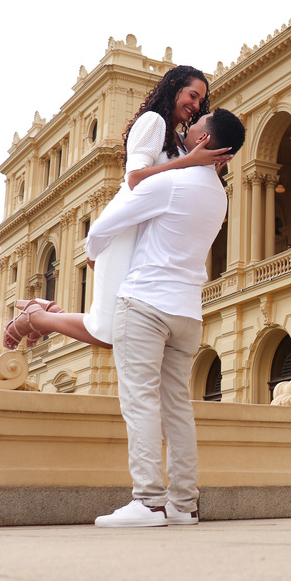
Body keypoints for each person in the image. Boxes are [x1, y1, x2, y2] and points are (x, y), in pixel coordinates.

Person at [88, 107, 246, 528]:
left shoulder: (170, 183)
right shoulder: (219, 196)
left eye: (196, 126)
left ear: (203, 141)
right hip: (188, 311)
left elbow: (102, 227)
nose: (188, 128)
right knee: (177, 407)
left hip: (145, 302)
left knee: (139, 400)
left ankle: (148, 502)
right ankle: (183, 504)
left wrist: (93, 254)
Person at [3, 65, 232, 349]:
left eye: (201, 100)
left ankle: (46, 313)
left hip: (145, 240)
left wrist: (208, 165)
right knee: (110, 332)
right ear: (174, 86)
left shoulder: (179, 141)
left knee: (120, 328)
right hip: (124, 232)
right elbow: (134, 178)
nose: (196, 105)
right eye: (192, 95)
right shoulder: (153, 122)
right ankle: (37, 317)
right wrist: (190, 162)